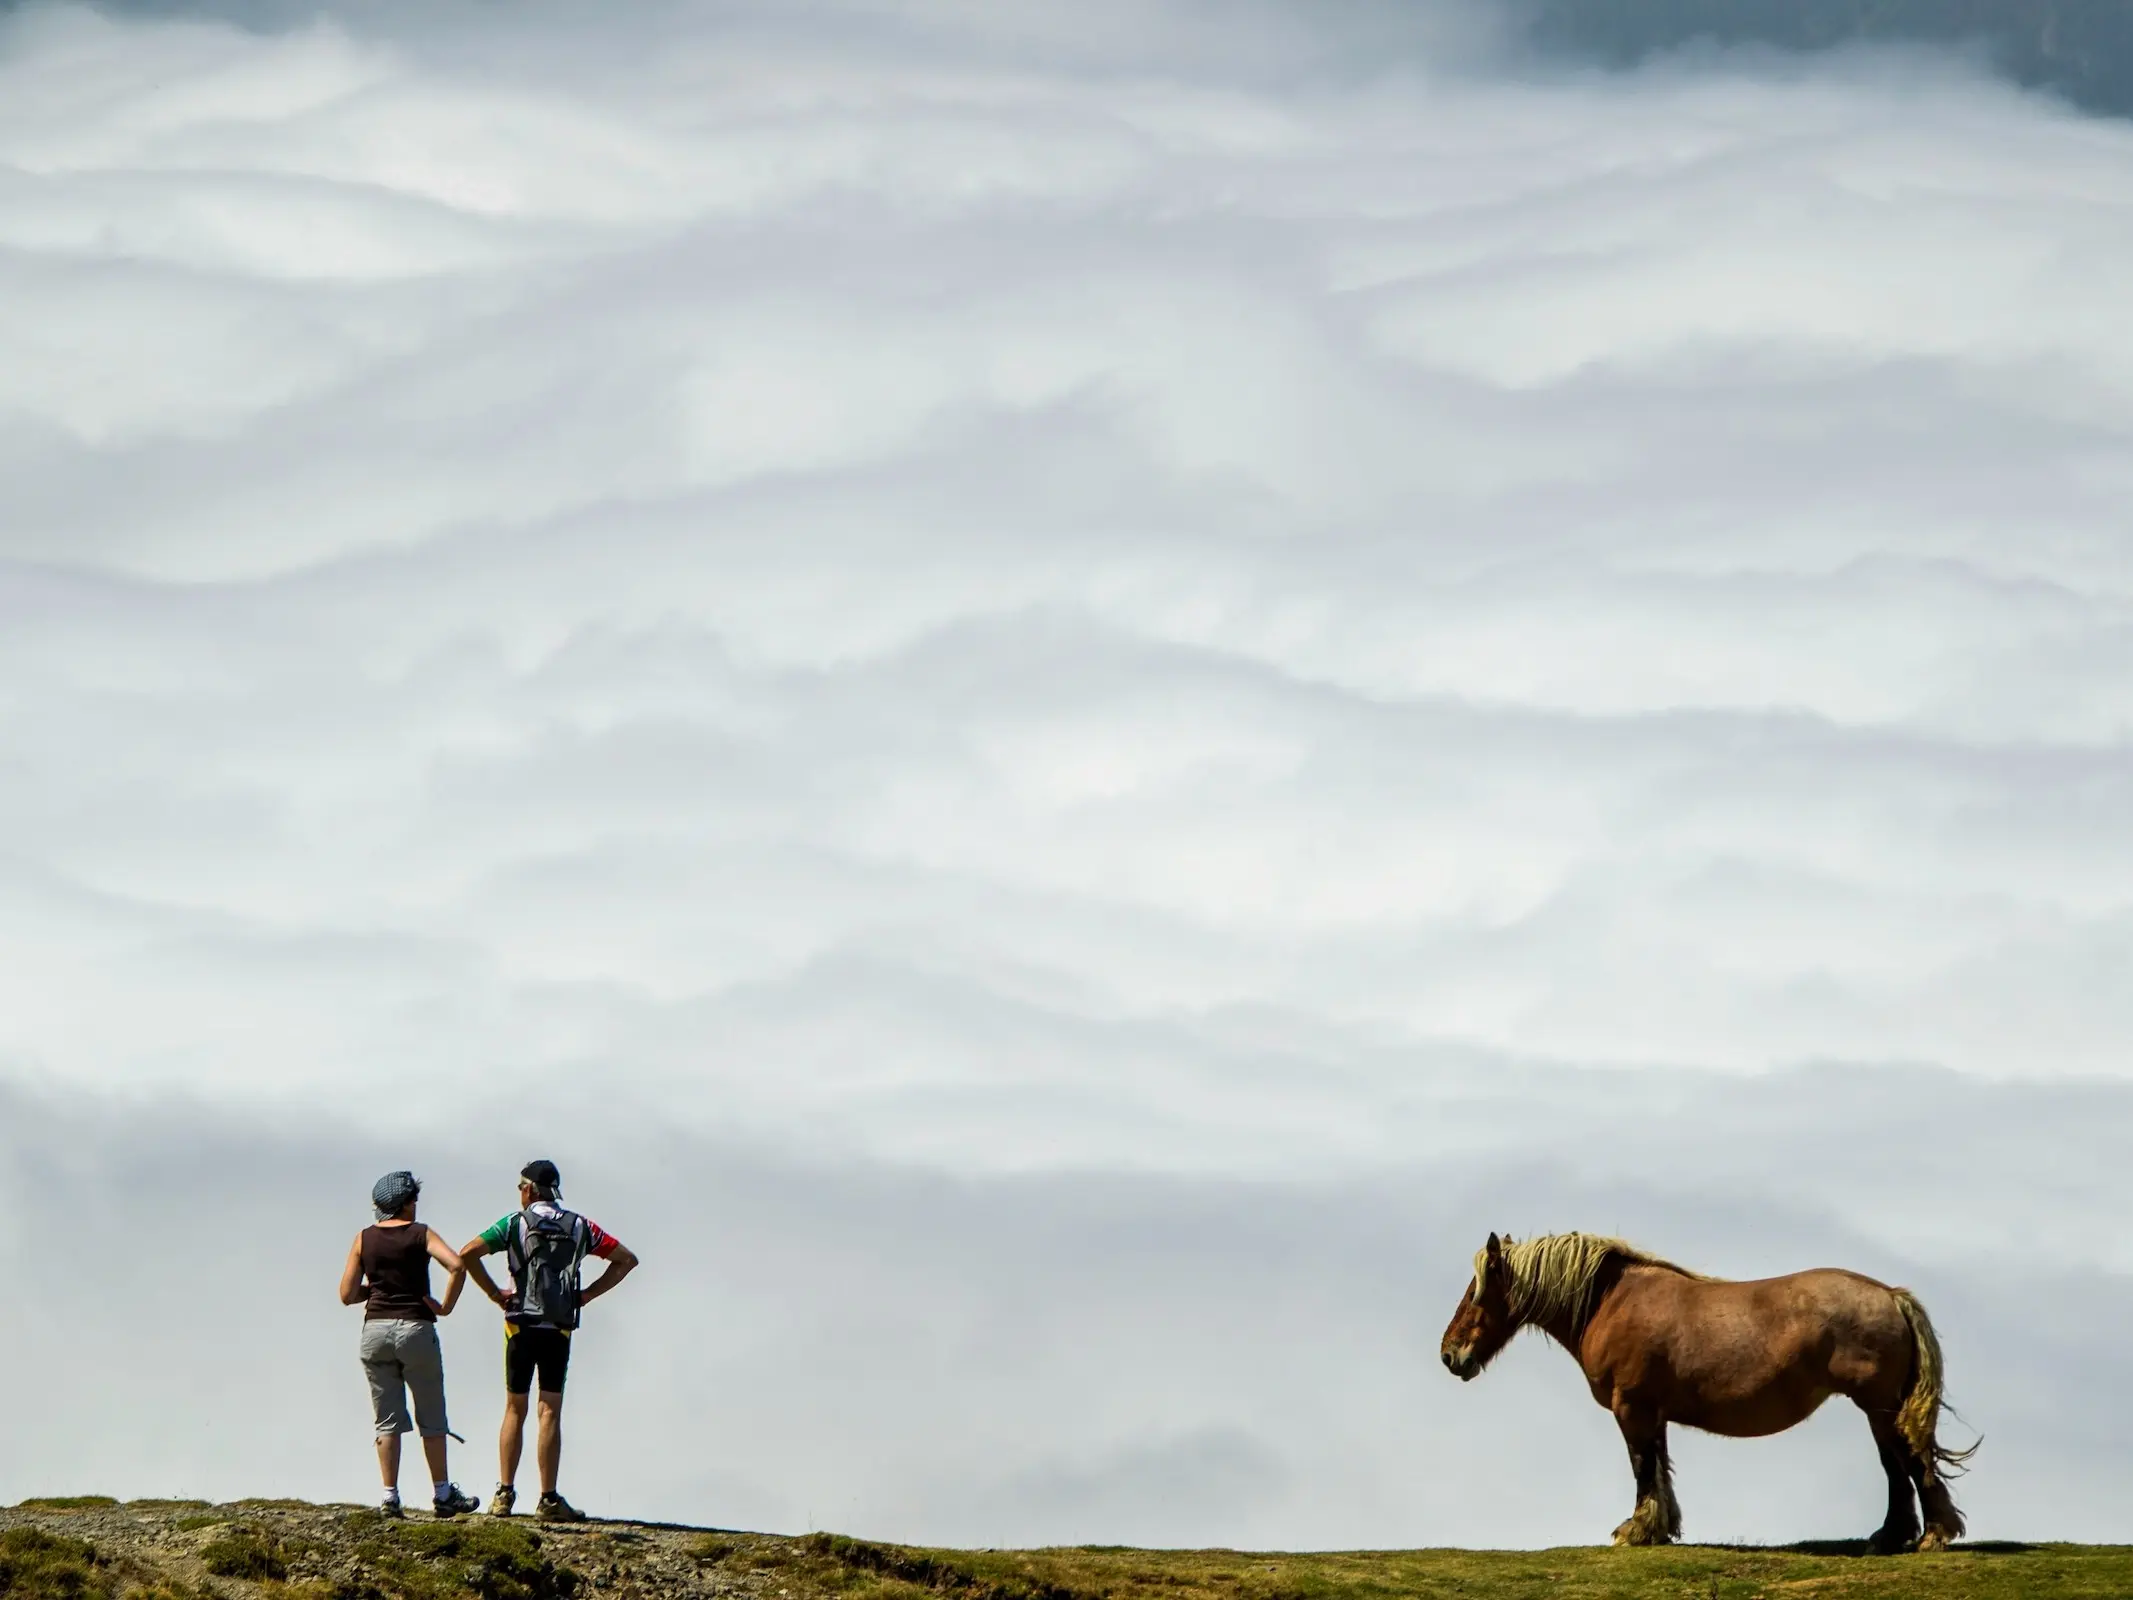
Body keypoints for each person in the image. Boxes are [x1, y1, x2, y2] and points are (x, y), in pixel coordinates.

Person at [458, 1159, 638, 1521]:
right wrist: (585, 1295)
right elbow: (626, 1260)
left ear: (528, 1190)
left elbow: (467, 1254)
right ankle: (549, 1499)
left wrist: (495, 1293)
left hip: (520, 1323)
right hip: (559, 1325)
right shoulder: (580, 1226)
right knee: (549, 1410)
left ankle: (504, 1495)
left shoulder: (513, 1223)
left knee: (514, 1408)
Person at [338, 1171, 483, 1518]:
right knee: (431, 1412)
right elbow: (457, 1265)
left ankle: (390, 1496)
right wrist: (445, 1306)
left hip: (375, 1329)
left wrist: (372, 1292)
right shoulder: (420, 1234)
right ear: (402, 1204)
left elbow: (346, 1294)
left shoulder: (363, 1239)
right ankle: (443, 1494)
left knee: (386, 1418)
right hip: (416, 1326)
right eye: (412, 1199)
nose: (416, 1204)